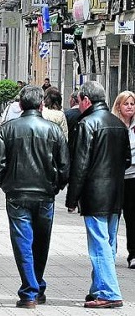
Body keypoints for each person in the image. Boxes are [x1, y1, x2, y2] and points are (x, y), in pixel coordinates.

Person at [0, 85, 70, 309]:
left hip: (17, 193)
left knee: (23, 241)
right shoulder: (54, 130)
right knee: (41, 242)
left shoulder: (8, 129)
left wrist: (6, 184)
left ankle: (30, 291)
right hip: (44, 193)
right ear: (41, 104)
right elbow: (64, 167)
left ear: (21, 105)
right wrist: (55, 186)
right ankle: (35, 287)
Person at [66, 81, 130, 309]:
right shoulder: (119, 124)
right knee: (109, 242)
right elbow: (126, 161)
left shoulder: (87, 124)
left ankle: (109, 292)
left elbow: (80, 165)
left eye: (79, 100)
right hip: (115, 193)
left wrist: (71, 199)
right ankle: (99, 287)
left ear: (86, 100)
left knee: (99, 244)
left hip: (95, 194)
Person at [111, 90, 135, 269]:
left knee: (133, 217)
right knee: (113, 216)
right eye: (126, 103)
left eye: (132, 104)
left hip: (133, 177)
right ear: (118, 106)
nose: (129, 107)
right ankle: (110, 252)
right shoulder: (113, 125)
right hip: (115, 178)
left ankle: (133, 254)